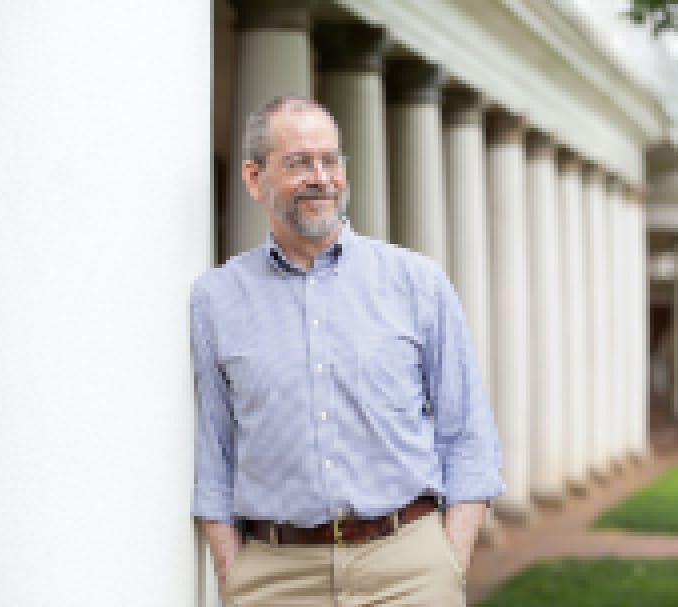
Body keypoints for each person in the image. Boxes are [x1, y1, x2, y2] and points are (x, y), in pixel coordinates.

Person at [189, 95, 504, 606]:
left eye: (330, 160)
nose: (321, 178)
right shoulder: (216, 300)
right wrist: (233, 573)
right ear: (253, 178)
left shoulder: (417, 283)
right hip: (276, 580)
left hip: (409, 573)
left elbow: (468, 435)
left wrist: (449, 561)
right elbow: (214, 452)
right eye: (299, 163)